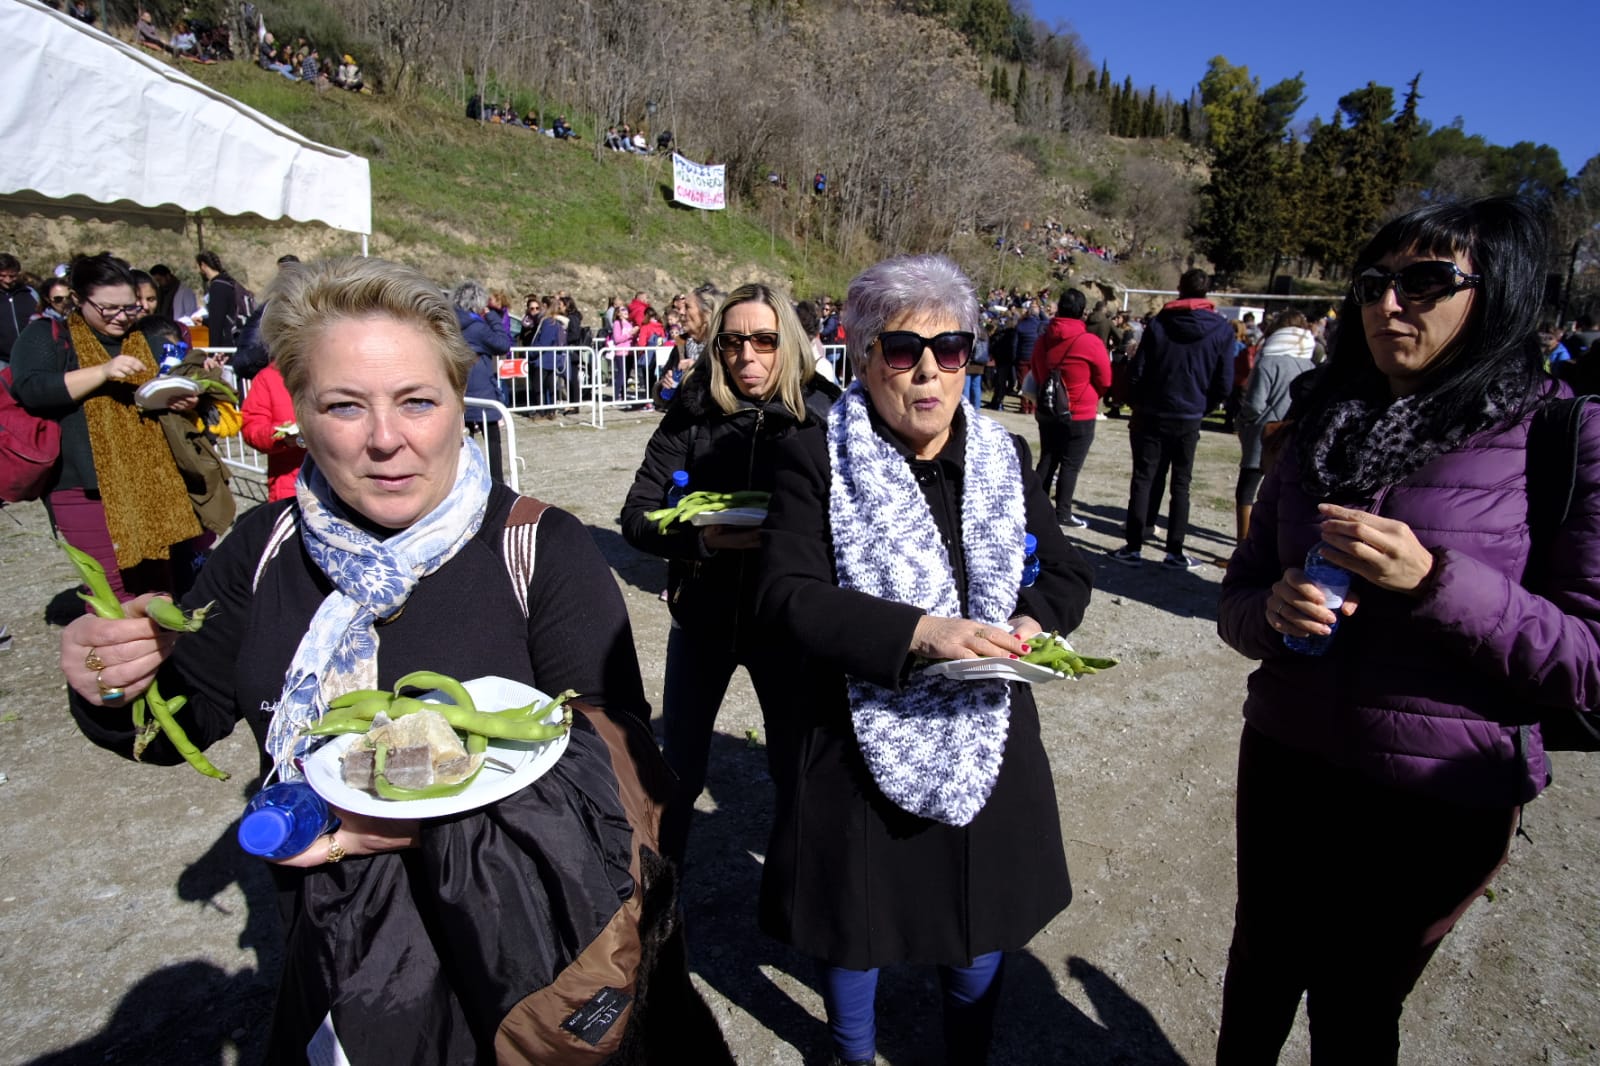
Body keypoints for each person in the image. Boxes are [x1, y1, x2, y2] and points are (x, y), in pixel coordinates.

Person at [54, 256, 733, 1064]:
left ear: (459, 404)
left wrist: (374, 830)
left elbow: (617, 781)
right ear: (299, 413)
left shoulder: (539, 548)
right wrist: (113, 679)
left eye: (417, 401)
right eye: (344, 406)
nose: (386, 439)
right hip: (338, 968)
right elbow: (177, 723)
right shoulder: (263, 551)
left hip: (520, 970)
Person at [1215, 196, 1600, 1064]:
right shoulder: (1318, 424)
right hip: (1286, 759)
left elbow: (1589, 663)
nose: (1390, 304)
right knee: (1259, 973)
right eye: (1374, 284)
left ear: (1493, 293)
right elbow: (1236, 599)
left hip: (1436, 793)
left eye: (1426, 282)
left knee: (1355, 1009)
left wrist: (1435, 581)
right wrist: (1270, 612)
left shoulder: (1558, 435)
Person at [755, 253, 1094, 1066]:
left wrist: (1028, 619)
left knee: (978, 917)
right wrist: (919, 632)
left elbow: (1071, 571)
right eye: (904, 351)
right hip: (857, 723)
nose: (930, 373)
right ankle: (850, 1050)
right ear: (866, 355)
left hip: (986, 721)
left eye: (953, 350)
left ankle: (966, 1049)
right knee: (855, 919)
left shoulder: (1002, 457)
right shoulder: (816, 458)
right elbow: (785, 597)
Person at [620, 283, 839, 863]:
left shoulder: (825, 416)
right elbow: (636, 516)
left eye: (764, 340)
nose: (748, 356)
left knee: (798, 773)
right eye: (733, 342)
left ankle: (798, 898)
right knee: (677, 776)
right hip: (702, 621)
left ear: (787, 343)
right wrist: (701, 538)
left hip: (789, 629)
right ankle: (660, 902)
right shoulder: (692, 411)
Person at [11, 254, 205, 599]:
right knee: (112, 595)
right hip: (83, 488)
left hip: (151, 483)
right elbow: (32, 389)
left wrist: (184, 400)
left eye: (129, 307)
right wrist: (101, 372)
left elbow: (169, 385)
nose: (121, 317)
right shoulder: (48, 336)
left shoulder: (146, 336)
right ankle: (105, 654)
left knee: (160, 590)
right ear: (77, 299)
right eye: (108, 309)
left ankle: (164, 653)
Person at [1112, 268, 1232, 569]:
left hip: (1153, 411)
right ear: (1207, 293)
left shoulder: (1159, 324)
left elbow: (1138, 370)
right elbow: (1224, 380)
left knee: (1144, 477)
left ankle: (1134, 546)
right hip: (1189, 414)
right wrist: (1204, 406)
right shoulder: (1221, 329)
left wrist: (1138, 401)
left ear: (1179, 288)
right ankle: (1174, 550)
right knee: (1182, 482)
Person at [1031, 288, 1111, 529]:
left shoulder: (1044, 338)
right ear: (1082, 312)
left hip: (1048, 408)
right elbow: (1105, 379)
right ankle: (1063, 512)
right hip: (1080, 410)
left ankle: (1036, 507)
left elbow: (1035, 370)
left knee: (1047, 458)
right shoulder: (1089, 342)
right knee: (1070, 464)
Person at [1234, 310, 1316, 541]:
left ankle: (1244, 544)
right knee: (1283, 492)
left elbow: (1254, 404)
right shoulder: (1310, 365)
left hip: (1265, 434)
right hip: (1295, 435)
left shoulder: (1268, 361)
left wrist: (1242, 422)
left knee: (1247, 491)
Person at [452, 280, 511, 482]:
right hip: (481, 390)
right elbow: (503, 344)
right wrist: (492, 316)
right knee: (493, 442)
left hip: (459, 389)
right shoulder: (477, 327)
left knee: (464, 443)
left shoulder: (449, 323)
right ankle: (496, 483)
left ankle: (468, 480)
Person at [194, 251, 246, 349]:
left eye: (198, 267)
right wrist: (204, 321)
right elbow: (225, 315)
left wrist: (212, 353)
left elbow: (217, 324)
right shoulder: (229, 282)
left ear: (203, 265)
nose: (198, 272)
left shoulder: (217, 287)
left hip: (226, 346)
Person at [1, 253, 39, 363]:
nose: (7, 281)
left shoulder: (30, 293)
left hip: (32, 355)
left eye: (12, 276)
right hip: (3, 360)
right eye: (2, 276)